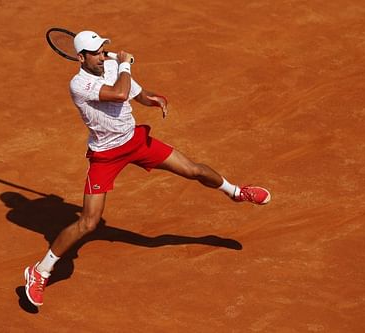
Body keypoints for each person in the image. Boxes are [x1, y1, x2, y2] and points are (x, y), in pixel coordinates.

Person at [24, 30, 271, 306]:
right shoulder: (79, 85)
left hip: (135, 141)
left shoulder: (113, 66)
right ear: (80, 57)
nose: (102, 56)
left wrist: (151, 98)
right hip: (105, 156)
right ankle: (39, 271)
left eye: (103, 49)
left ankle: (235, 192)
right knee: (88, 223)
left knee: (193, 170)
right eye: (95, 53)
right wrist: (126, 64)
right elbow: (119, 94)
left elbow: (134, 94)